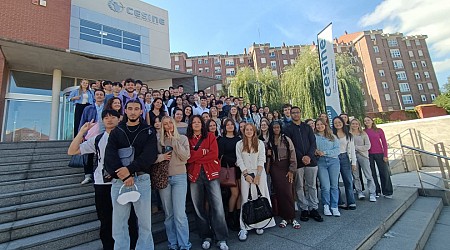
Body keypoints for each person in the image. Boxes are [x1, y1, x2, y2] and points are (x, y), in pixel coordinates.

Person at [104, 99, 158, 249]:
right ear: (125, 111)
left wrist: (130, 170)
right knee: (119, 224)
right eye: (130, 108)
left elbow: (149, 156)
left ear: (141, 111)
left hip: (141, 179)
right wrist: (124, 175)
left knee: (145, 224)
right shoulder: (117, 131)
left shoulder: (148, 131)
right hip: (119, 181)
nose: (133, 111)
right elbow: (110, 156)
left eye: (136, 109)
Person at [69, 109, 124, 250]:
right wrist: (82, 132)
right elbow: (72, 151)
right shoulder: (98, 138)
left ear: (119, 119)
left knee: (125, 220)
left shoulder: (125, 137)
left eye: (113, 117)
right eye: (106, 117)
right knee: (105, 220)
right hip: (102, 183)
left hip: (122, 182)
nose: (109, 119)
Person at [186, 115, 229, 250]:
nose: (197, 124)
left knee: (217, 207)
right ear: (191, 125)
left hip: (211, 174)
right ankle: (206, 236)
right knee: (199, 208)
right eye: (194, 122)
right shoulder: (187, 139)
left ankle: (221, 238)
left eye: (199, 122)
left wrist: (196, 154)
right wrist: (202, 153)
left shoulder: (210, 136)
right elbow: (188, 157)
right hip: (195, 175)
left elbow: (213, 154)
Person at [155, 116, 192, 250]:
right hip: (164, 178)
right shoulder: (159, 141)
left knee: (180, 214)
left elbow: (185, 157)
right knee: (168, 214)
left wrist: (175, 142)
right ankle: (173, 243)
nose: (168, 125)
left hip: (179, 177)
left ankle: (184, 245)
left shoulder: (182, 138)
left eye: (170, 123)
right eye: (165, 124)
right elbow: (152, 158)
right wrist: (161, 157)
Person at [236, 123, 275, 241]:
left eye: (250, 130)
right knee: (246, 199)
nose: (248, 131)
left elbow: (261, 159)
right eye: (246, 129)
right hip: (245, 174)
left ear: (254, 131)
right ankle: (245, 226)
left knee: (260, 197)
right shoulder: (239, 144)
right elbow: (239, 160)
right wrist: (246, 174)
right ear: (243, 131)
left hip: (259, 173)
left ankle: (260, 223)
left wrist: (258, 176)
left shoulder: (260, 143)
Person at [284, 107, 323, 222]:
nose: (296, 114)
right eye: (293, 113)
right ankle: (304, 208)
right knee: (299, 186)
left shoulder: (307, 127)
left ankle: (313, 208)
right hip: (298, 162)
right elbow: (290, 146)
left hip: (311, 161)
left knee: (312, 185)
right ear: (290, 115)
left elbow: (313, 142)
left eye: (297, 112)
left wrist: (309, 156)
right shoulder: (287, 128)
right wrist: (302, 157)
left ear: (301, 113)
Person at [267, 121, 300, 229]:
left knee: (288, 191)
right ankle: (285, 217)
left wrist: (291, 170)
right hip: (275, 168)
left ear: (280, 128)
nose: (276, 129)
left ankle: (292, 217)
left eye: (277, 127)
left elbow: (292, 154)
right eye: (274, 127)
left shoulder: (286, 139)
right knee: (280, 192)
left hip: (286, 166)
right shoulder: (269, 140)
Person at [218, 119, 241, 231]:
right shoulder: (222, 140)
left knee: (240, 193)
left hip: (240, 168)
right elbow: (221, 155)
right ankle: (231, 216)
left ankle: (238, 216)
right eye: (228, 125)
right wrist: (234, 161)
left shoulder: (239, 139)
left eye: (232, 124)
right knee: (235, 193)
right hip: (229, 169)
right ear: (224, 127)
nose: (230, 126)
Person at [78, 89, 106, 184]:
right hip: (90, 134)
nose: (99, 96)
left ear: (104, 97)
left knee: (101, 154)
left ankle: (99, 174)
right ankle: (88, 175)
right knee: (88, 155)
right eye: (97, 94)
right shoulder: (88, 108)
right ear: (94, 97)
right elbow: (82, 121)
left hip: (103, 133)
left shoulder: (106, 108)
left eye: (101, 95)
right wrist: (81, 134)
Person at [315, 118, 341, 217]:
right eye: (318, 124)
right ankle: (326, 205)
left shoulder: (332, 136)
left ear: (325, 125)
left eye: (322, 124)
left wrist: (325, 152)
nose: (320, 126)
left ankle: (334, 206)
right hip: (321, 162)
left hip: (333, 162)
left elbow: (337, 150)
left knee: (334, 185)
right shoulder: (314, 137)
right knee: (325, 186)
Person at [364, 116, 393, 198]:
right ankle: (376, 191)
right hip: (368, 154)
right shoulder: (363, 132)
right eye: (365, 121)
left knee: (384, 172)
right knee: (372, 174)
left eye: (368, 120)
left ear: (372, 121)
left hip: (380, 153)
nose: (367, 122)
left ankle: (387, 192)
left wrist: (385, 155)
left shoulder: (379, 130)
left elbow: (384, 142)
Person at [332, 116, 357, 210]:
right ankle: (339, 202)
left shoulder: (349, 135)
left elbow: (352, 149)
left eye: (339, 122)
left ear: (342, 122)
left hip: (345, 157)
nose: (338, 124)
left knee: (348, 180)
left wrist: (353, 162)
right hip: (334, 158)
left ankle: (351, 202)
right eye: (335, 123)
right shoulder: (331, 135)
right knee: (335, 181)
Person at [350, 118, 377, 202]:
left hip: (363, 156)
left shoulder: (363, 134)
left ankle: (372, 193)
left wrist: (356, 148)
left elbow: (368, 146)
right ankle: (359, 192)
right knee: (356, 176)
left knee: (368, 175)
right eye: (353, 123)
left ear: (359, 125)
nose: (355, 125)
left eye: (356, 124)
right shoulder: (349, 134)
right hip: (353, 157)